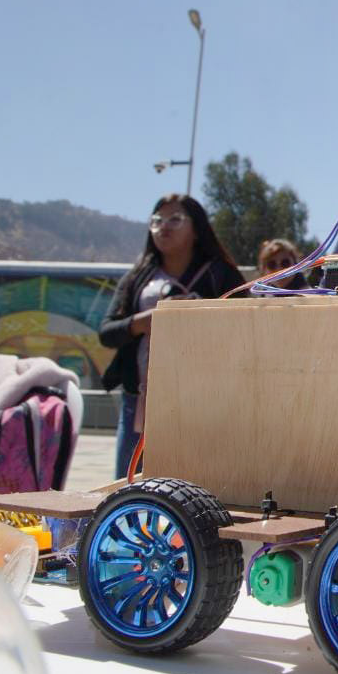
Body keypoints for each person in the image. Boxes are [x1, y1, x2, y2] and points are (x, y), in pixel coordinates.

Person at [99, 194, 244, 478]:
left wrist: (197, 317)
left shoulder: (220, 275)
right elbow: (106, 332)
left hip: (204, 402)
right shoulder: (137, 277)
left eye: (175, 220)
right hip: (139, 401)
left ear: (196, 228)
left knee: (197, 484)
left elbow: (244, 328)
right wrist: (142, 322)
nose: (163, 227)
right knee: (128, 486)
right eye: (157, 221)